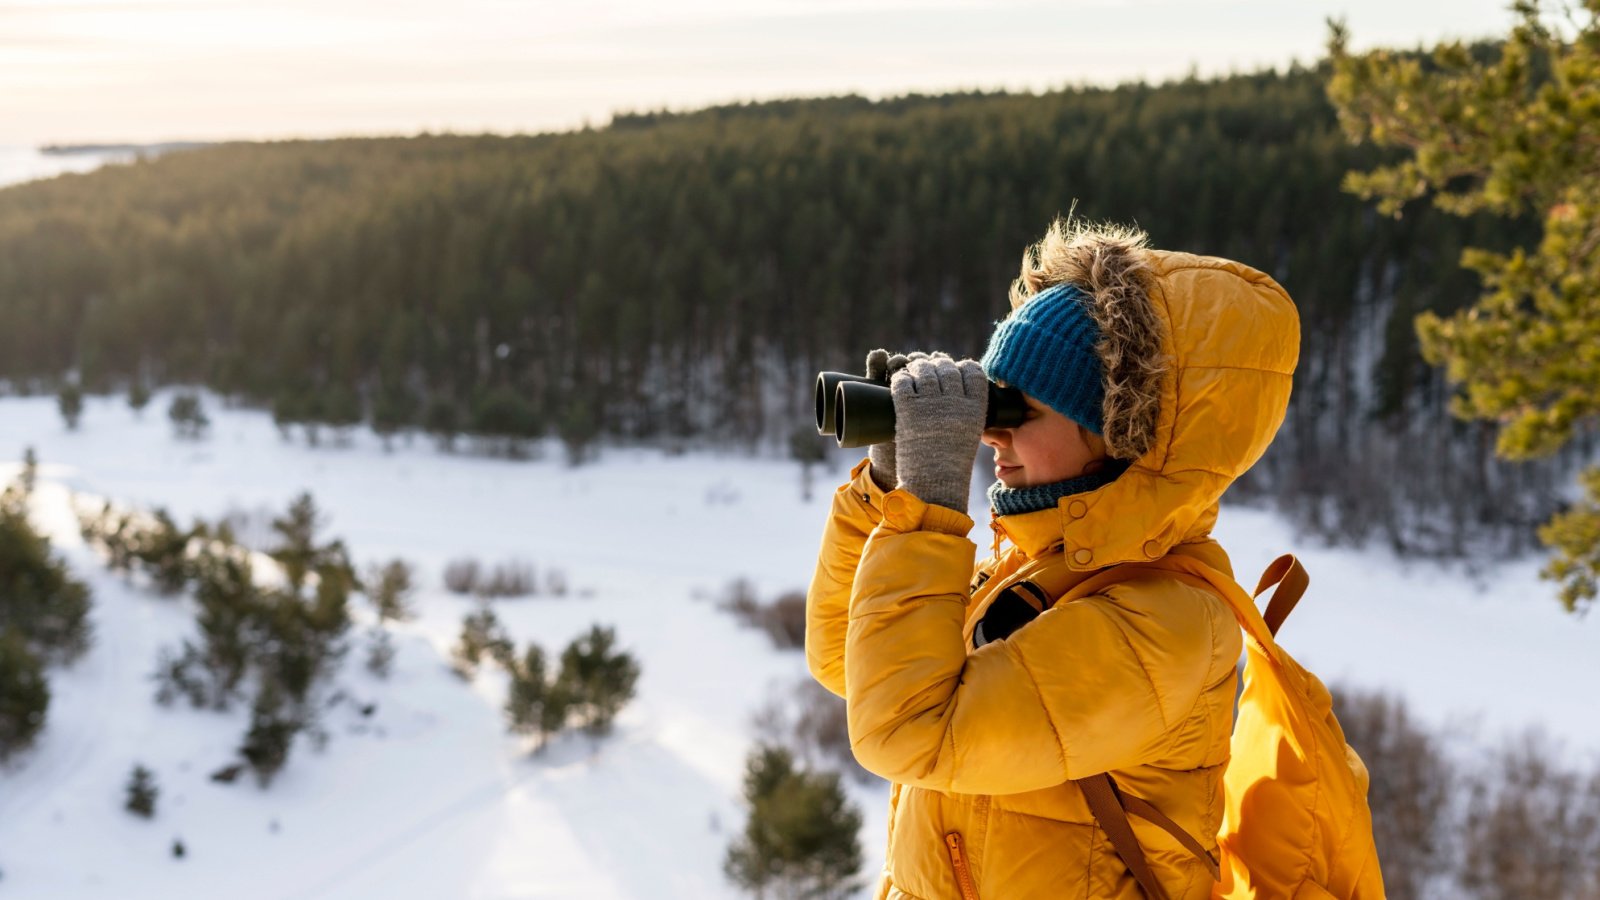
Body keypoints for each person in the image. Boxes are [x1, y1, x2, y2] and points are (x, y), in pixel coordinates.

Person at [804, 218, 1299, 899]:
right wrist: (886, 490)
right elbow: (847, 663)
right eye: (989, 407)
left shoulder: (1168, 624)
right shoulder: (1038, 566)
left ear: (1119, 434)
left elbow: (905, 731)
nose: (990, 436)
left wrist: (927, 511)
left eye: (1016, 411)